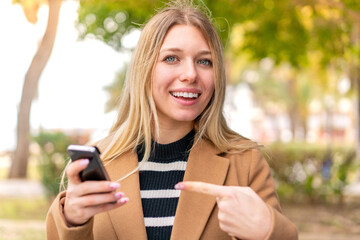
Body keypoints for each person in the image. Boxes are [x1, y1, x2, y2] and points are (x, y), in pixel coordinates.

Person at [46, 0, 298, 239]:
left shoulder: (244, 162)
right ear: (144, 70)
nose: (190, 74)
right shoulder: (101, 161)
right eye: (171, 58)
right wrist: (73, 221)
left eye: (204, 61)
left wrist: (265, 229)